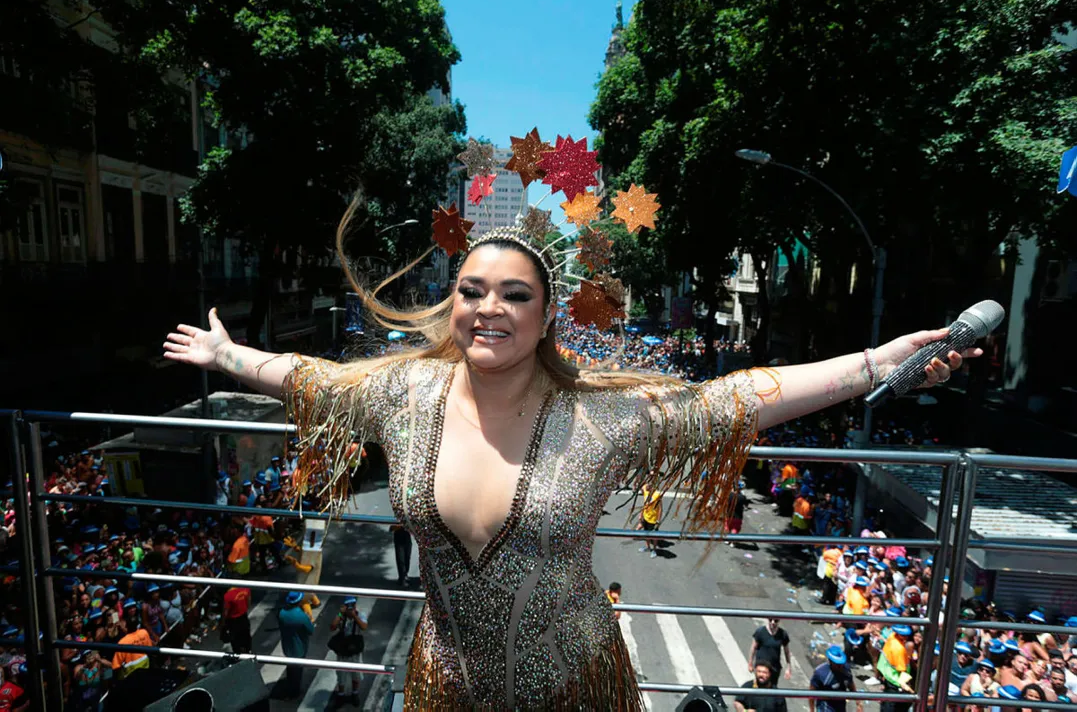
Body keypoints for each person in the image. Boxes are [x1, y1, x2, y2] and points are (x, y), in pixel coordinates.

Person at [163, 208, 974, 709]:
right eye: (472, 290)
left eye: (515, 294)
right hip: (448, 690)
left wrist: (875, 362)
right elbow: (311, 379)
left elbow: (743, 397)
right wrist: (228, 357)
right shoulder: (398, 395)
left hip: (579, 687)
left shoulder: (599, 416)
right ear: (453, 305)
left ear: (547, 315)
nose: (489, 308)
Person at [329, 596, 368, 706]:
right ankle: (340, 694)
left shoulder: (361, 615)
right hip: (343, 650)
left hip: (355, 649)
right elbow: (332, 627)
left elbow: (364, 626)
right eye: (348, 606)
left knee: (356, 674)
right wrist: (340, 614)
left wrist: (354, 616)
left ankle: (354, 693)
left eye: (352, 605)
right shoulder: (342, 616)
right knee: (341, 674)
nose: (351, 608)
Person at [278, 590, 314, 698]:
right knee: (297, 671)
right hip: (299, 647)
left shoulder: (282, 613)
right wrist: (309, 618)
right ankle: (295, 692)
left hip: (287, 646)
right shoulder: (301, 616)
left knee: (290, 668)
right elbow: (310, 630)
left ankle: (290, 686)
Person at [809, 645, 861, 712]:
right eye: (837, 664)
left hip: (841, 706)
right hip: (826, 707)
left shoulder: (846, 670)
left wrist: (858, 703)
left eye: (841, 663)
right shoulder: (820, 673)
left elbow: (851, 685)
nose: (840, 666)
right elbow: (811, 693)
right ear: (830, 661)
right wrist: (812, 710)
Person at [878, 624, 914, 712]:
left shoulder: (892, 636)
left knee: (886, 701)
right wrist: (907, 685)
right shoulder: (899, 649)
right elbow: (902, 671)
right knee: (893, 705)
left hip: (887, 674)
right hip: (895, 680)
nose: (906, 637)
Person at [222, 586, 252, 654]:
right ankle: (248, 650)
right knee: (246, 635)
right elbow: (249, 603)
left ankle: (238, 653)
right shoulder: (246, 589)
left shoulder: (228, 596)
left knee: (235, 639)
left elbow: (225, 612)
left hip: (233, 620)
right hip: (243, 617)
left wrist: (223, 623)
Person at [637, 484, 663, 558]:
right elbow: (644, 504)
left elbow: (660, 509)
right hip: (645, 517)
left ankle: (654, 550)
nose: (646, 488)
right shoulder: (646, 491)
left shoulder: (657, 495)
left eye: (648, 486)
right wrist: (641, 514)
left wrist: (658, 520)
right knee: (646, 534)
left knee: (654, 536)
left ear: (652, 487)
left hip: (653, 520)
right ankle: (648, 547)